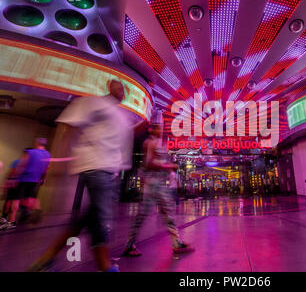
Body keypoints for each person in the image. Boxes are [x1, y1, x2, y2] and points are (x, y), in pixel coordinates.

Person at [28, 80, 133, 272]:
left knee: (85, 220)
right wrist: (59, 162)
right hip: (95, 167)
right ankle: (105, 266)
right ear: (108, 86)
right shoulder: (92, 103)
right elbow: (68, 126)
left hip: (110, 172)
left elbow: (120, 146)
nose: (121, 90)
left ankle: (46, 260)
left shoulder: (121, 116)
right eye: (117, 85)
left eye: (123, 88)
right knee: (101, 218)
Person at [122, 123, 193, 257]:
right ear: (152, 129)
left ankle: (176, 243)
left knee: (167, 213)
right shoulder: (149, 143)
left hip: (158, 185)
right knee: (144, 216)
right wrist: (169, 166)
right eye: (157, 127)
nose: (160, 130)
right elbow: (149, 163)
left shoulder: (157, 144)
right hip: (152, 185)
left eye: (161, 127)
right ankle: (129, 245)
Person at [4, 140, 51, 228]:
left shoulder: (30, 152)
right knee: (32, 198)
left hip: (24, 178)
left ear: (36, 143)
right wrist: (43, 179)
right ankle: (36, 214)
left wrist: (15, 178)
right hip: (35, 180)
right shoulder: (48, 154)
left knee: (16, 199)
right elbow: (46, 168)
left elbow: (22, 164)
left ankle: (12, 221)